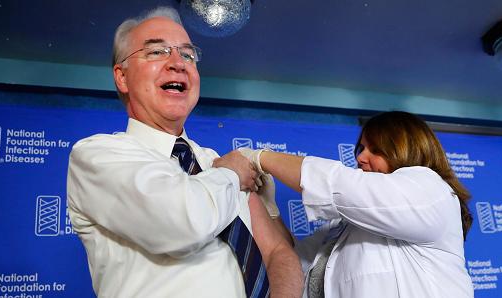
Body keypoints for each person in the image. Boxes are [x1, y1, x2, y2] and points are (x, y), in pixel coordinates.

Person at [66, 6, 302, 298]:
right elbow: (181, 222)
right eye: (156, 52)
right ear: (122, 77)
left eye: (187, 54)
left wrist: (271, 211)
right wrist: (230, 174)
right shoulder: (98, 155)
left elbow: (279, 251)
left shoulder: (215, 161)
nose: (178, 63)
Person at [234, 111, 474, 298]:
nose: (360, 157)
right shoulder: (344, 226)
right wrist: (270, 208)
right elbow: (292, 262)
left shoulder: (432, 191)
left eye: (376, 150)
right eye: (361, 148)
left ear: (408, 151)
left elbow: (339, 185)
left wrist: (259, 158)